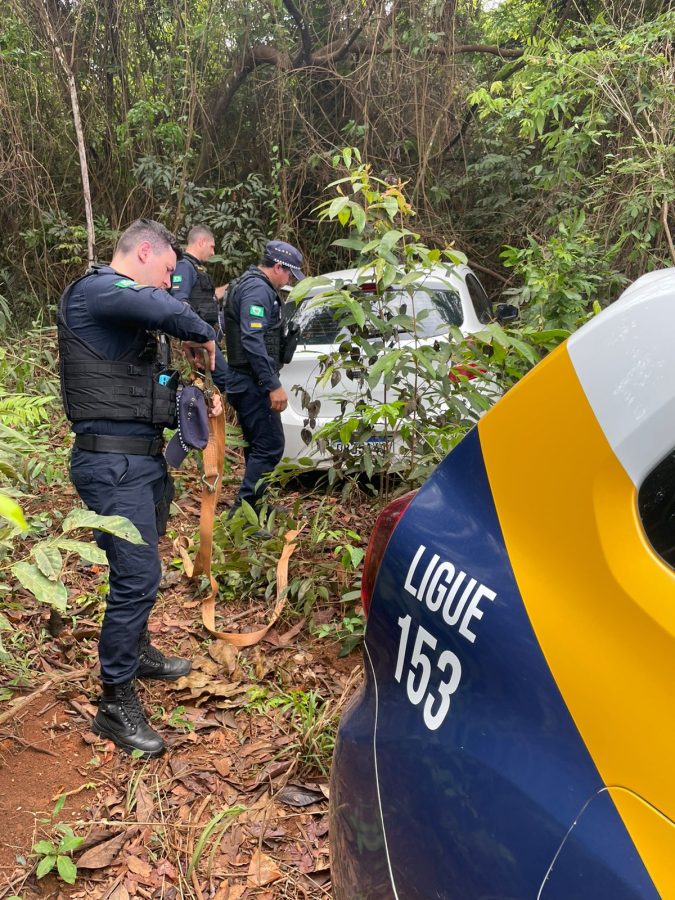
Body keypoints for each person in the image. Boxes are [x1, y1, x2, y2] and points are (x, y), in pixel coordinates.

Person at [58, 218, 224, 758]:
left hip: (141, 463)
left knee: (142, 568)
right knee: (137, 575)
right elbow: (169, 311)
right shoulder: (98, 290)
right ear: (145, 252)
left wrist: (193, 396)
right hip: (110, 467)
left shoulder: (124, 316)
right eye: (169, 272)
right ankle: (114, 701)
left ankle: (139, 652)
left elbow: (144, 386)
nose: (169, 284)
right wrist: (204, 332)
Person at [223, 240, 304, 513]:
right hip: (252, 382)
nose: (289, 279)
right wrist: (272, 384)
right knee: (270, 446)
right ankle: (243, 513)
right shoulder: (257, 289)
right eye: (289, 273)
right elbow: (252, 340)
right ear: (278, 267)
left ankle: (255, 507)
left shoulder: (250, 284)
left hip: (246, 380)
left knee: (258, 446)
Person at [169, 225, 227, 333]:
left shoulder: (196, 268)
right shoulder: (184, 266)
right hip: (195, 334)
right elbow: (180, 301)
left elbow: (207, 298)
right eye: (212, 247)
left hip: (205, 331)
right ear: (201, 242)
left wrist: (229, 286)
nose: (213, 253)